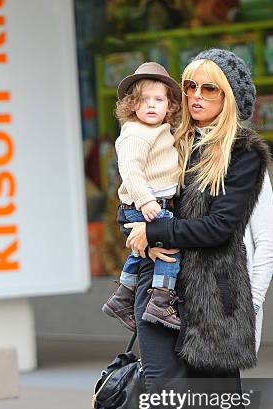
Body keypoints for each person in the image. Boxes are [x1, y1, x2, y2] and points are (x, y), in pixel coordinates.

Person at [123, 48, 273, 409]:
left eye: (208, 88)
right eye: (189, 86)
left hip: (217, 300)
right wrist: (137, 231)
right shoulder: (166, 141)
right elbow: (135, 199)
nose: (194, 97)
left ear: (230, 96)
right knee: (166, 403)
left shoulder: (243, 153)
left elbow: (220, 230)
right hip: (160, 296)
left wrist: (251, 312)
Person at [102, 62, 183, 332]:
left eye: (158, 100)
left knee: (143, 253)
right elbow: (130, 170)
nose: (151, 105)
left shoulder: (160, 131)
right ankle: (161, 300)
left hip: (150, 203)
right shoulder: (135, 133)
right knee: (170, 250)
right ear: (132, 106)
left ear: (169, 105)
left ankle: (122, 297)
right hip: (144, 205)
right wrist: (146, 201)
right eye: (143, 100)